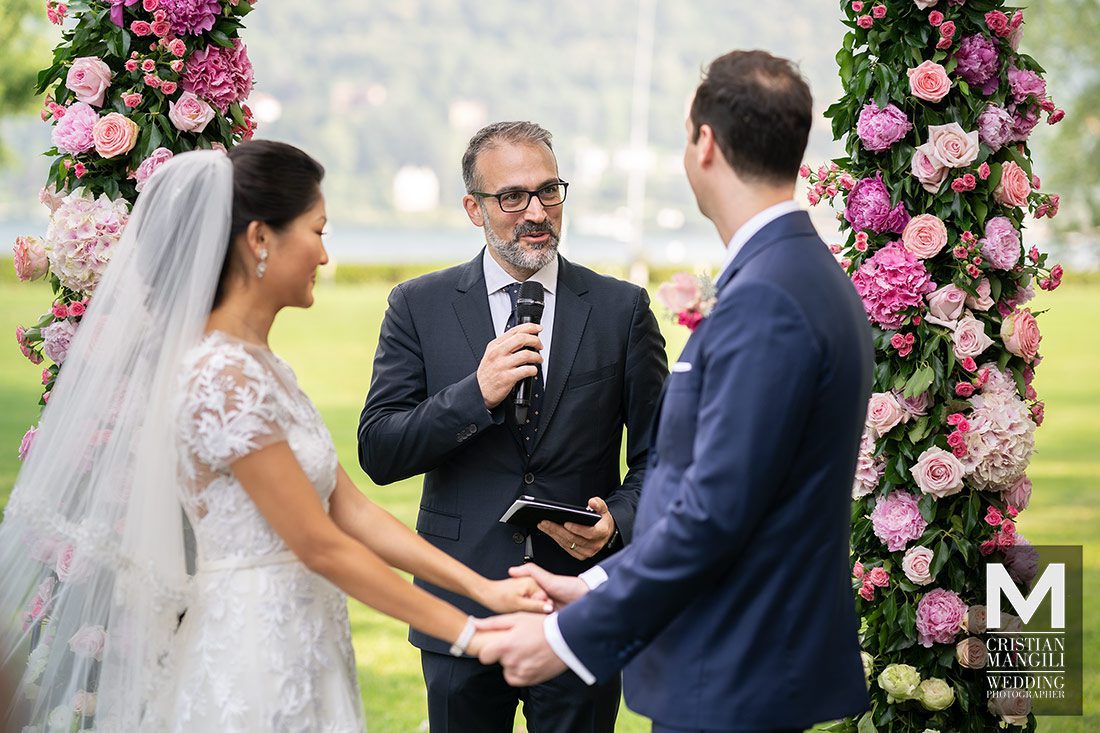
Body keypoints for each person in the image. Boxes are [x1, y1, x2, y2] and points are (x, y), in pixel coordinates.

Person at [0, 141, 548, 733]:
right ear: (261, 239)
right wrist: (472, 634)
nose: (324, 254)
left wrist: (485, 591)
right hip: (252, 649)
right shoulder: (220, 377)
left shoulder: (263, 366)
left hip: (305, 636)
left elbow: (350, 510)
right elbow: (320, 544)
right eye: (316, 231)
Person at [477, 51, 875, 733]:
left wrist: (565, 637)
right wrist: (592, 583)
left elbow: (713, 511)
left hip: (735, 665)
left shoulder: (769, 299)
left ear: (705, 143)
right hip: (751, 660)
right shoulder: (798, 271)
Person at [358, 121, 668, 732]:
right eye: (512, 197)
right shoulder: (417, 305)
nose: (536, 212)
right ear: (474, 207)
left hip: (579, 605)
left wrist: (618, 524)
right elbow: (379, 449)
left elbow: (663, 461)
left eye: (549, 191)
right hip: (459, 604)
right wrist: (475, 395)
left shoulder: (621, 309)